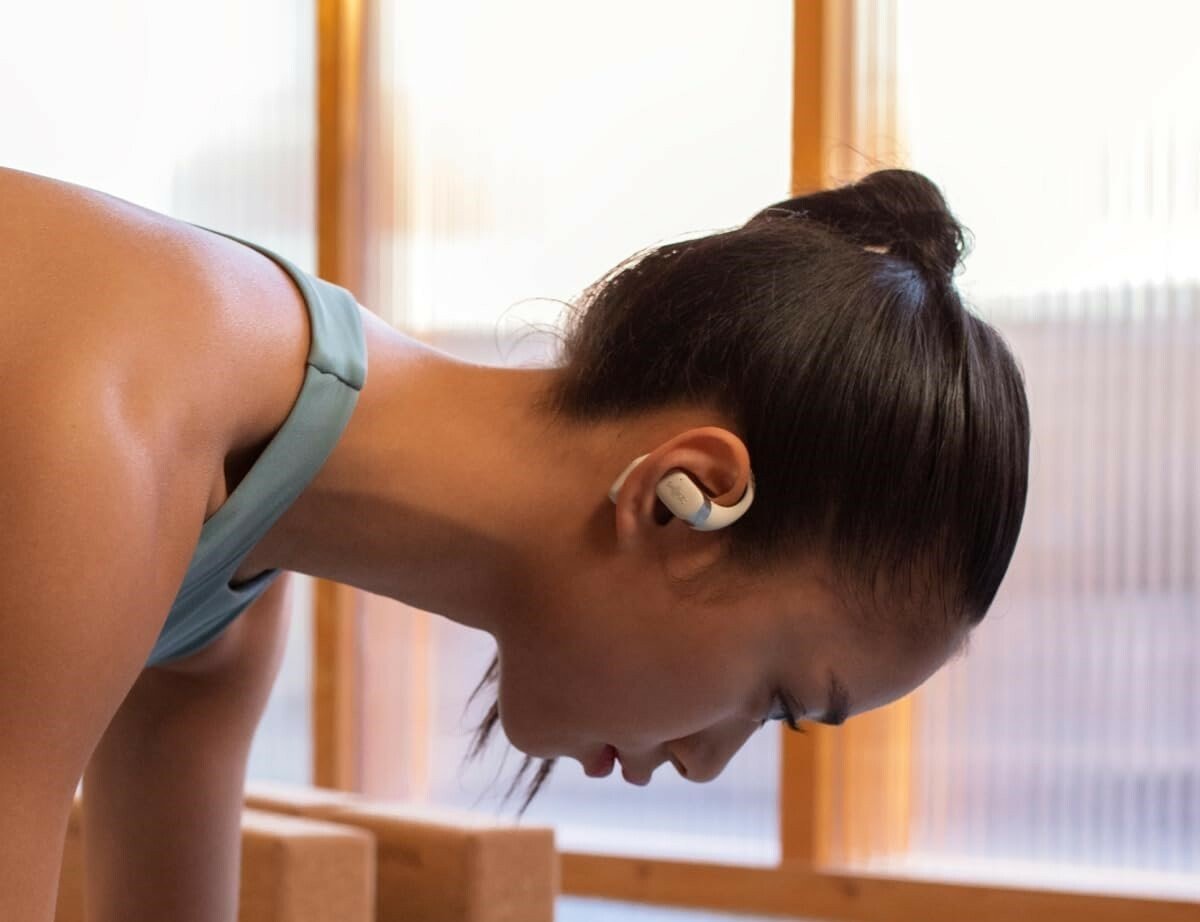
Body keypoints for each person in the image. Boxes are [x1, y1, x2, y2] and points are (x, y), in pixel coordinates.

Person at [0, 164, 1029, 921]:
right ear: (686, 498)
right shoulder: (106, 425)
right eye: (774, 700)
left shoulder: (223, 592)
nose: (709, 766)